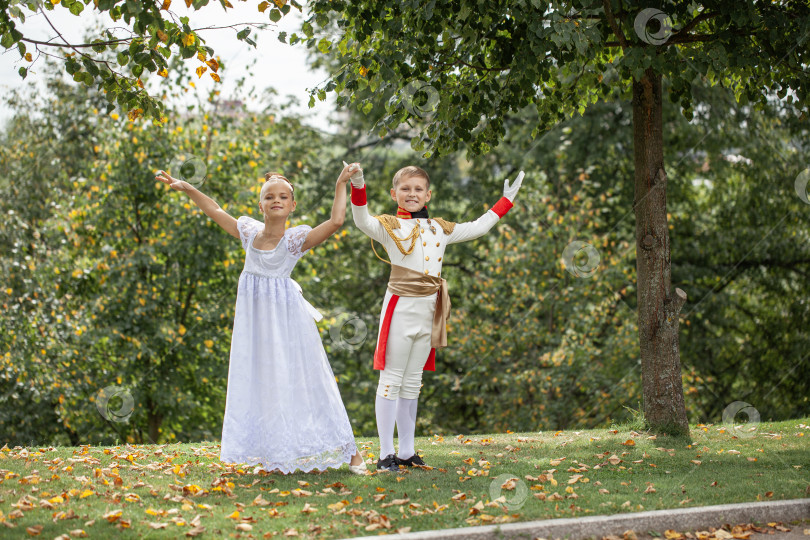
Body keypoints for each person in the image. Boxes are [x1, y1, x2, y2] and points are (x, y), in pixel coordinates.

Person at [154, 164, 367, 475]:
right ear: (261, 205)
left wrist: (340, 184)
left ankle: (352, 454)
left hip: (288, 325)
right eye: (269, 196)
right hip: (255, 327)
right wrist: (188, 188)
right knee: (263, 381)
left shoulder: (295, 240)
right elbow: (214, 209)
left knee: (310, 379)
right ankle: (271, 455)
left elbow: (336, 221)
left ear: (293, 205)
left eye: (283, 196)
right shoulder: (249, 233)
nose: (276, 200)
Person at [347, 163, 524, 471]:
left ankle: (407, 451)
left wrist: (505, 202)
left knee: (413, 382)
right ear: (394, 194)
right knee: (390, 380)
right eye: (405, 189)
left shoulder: (439, 228)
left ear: (428, 194)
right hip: (401, 308)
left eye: (418, 189)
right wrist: (359, 184)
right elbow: (361, 219)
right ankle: (385, 453)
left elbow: (478, 227)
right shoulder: (388, 226)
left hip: (429, 311)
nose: (412, 194)